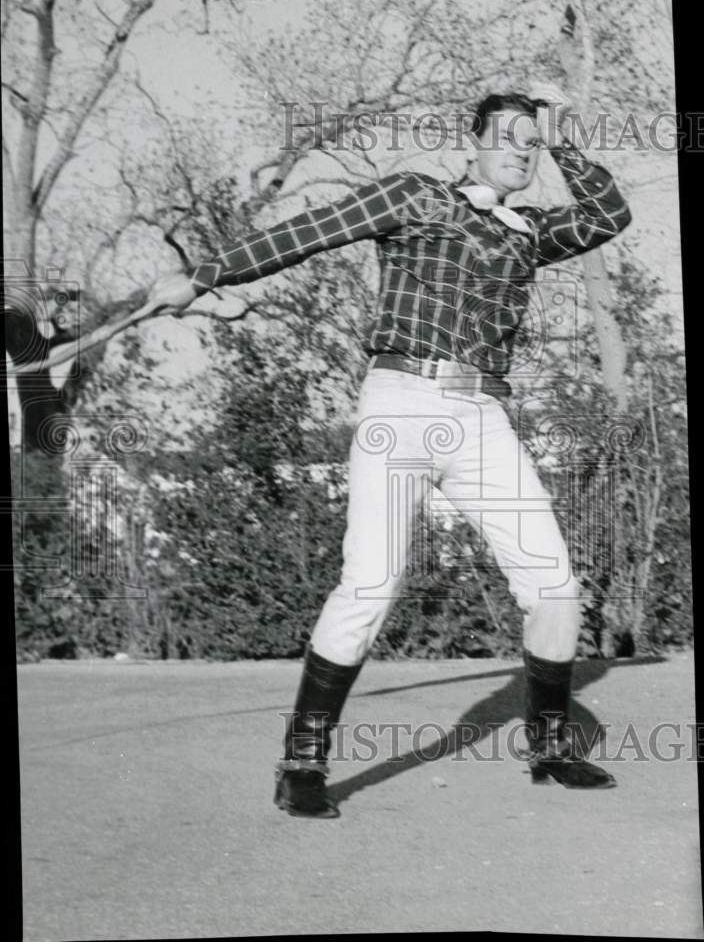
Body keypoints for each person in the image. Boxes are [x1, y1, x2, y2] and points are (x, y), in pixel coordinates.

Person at [148, 83, 632, 818]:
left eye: (530, 145)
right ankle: (302, 763)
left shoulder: (530, 232)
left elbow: (609, 213)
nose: (519, 152)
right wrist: (206, 276)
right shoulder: (416, 195)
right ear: (473, 141)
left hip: (482, 414)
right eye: (508, 137)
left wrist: (560, 133)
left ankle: (551, 749)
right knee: (372, 582)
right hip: (400, 402)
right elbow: (310, 230)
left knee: (554, 587)